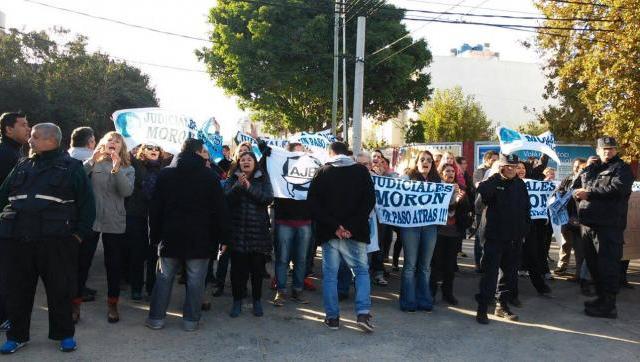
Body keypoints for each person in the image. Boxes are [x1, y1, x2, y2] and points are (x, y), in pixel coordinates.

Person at [0, 123, 95, 354]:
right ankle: (17, 336)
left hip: (57, 242)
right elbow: (2, 194)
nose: (30, 140)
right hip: (19, 241)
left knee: (60, 291)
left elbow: (88, 206)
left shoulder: (72, 167)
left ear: (51, 140)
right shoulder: (22, 165)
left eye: (34, 137)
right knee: (18, 292)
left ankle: (64, 335)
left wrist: (77, 236)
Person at [145, 138, 228, 331]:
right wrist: (224, 236)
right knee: (196, 280)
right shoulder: (209, 176)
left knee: (164, 279)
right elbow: (220, 209)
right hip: (200, 238)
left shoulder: (165, 174)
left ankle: (156, 319)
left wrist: (153, 236)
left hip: (169, 235)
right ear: (199, 152)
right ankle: (191, 322)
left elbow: (155, 209)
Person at [308, 142, 375, 333]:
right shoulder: (362, 172)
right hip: (357, 232)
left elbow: (313, 203)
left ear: (330, 153)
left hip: (331, 234)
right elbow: (369, 200)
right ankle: (363, 313)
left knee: (330, 276)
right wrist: (351, 226)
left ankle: (332, 318)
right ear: (347, 154)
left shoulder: (322, 172)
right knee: (362, 272)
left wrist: (335, 226)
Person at [75, 131, 135, 324]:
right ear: (103, 143)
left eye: (117, 142)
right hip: (91, 219)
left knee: (114, 264)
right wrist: (92, 160)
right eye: (110, 140)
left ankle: (112, 304)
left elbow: (126, 192)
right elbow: (76, 181)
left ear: (121, 148)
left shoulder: (128, 168)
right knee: (82, 262)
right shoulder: (94, 163)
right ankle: (75, 305)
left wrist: (117, 168)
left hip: (114, 220)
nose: (113, 143)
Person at [573, 137, 633, 319]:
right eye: (604, 149)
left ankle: (609, 305)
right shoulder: (594, 168)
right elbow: (577, 186)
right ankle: (601, 299)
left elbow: (619, 189)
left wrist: (589, 194)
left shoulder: (622, 168)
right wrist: (588, 168)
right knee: (594, 265)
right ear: (598, 151)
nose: (608, 152)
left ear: (616, 150)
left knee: (608, 265)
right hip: (589, 224)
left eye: (611, 149)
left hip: (609, 226)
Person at [475, 154, 530, 325]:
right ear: (502, 167)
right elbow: (481, 192)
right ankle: (482, 308)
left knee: (508, 275)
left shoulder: (520, 184)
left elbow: (526, 208)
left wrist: (523, 231)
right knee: (489, 275)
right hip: (493, 237)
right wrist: (496, 176)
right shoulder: (494, 182)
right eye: (509, 166)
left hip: (513, 238)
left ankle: (502, 306)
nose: (513, 169)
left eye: (515, 166)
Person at [224, 151, 274, 318]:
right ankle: (237, 301)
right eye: (242, 159)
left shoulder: (262, 178)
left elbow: (267, 199)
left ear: (254, 162)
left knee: (257, 271)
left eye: (249, 159)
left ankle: (257, 301)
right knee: (238, 271)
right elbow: (225, 199)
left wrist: (249, 187)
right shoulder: (233, 178)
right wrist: (238, 186)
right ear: (238, 163)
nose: (246, 162)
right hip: (237, 232)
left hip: (258, 233)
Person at [266, 142, 313, 306]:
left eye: (303, 153)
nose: (302, 157)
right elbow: (266, 150)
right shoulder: (280, 168)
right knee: (282, 258)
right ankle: (281, 291)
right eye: (297, 154)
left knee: (301, 259)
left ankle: (298, 291)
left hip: (305, 221)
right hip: (284, 220)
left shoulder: (312, 167)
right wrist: (257, 138)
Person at [397, 150, 441, 313]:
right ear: (416, 162)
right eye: (422, 159)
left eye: (429, 160)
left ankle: (424, 300)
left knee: (425, 266)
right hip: (410, 226)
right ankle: (408, 301)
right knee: (410, 265)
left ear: (432, 164)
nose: (426, 162)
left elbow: (446, 205)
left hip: (430, 227)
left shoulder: (438, 181)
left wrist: (454, 196)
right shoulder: (407, 178)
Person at [0, 112, 30, 333]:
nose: (28, 129)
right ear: (8, 129)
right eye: (23, 125)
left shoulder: (16, 151)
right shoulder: (4, 154)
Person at [124, 143, 164, 301]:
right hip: (136, 214)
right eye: (150, 148)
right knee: (137, 253)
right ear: (142, 150)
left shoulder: (165, 168)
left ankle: (151, 287)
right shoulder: (135, 164)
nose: (154, 150)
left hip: (156, 216)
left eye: (156, 148)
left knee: (154, 254)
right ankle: (136, 287)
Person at [430, 163, 470, 305]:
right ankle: (431, 293)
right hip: (439, 232)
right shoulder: (438, 189)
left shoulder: (461, 189)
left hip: (454, 233)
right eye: (447, 171)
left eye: (453, 171)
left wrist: (462, 200)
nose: (450, 173)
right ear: (441, 174)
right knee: (436, 264)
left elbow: (465, 211)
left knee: (450, 266)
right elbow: (440, 208)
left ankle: (448, 293)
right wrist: (454, 202)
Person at [556, 158, 592, 294]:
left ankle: (579, 275)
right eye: (576, 166)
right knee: (565, 244)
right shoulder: (568, 178)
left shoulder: (587, 180)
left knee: (579, 248)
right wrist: (562, 194)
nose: (578, 169)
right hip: (566, 217)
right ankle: (561, 268)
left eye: (581, 167)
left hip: (579, 219)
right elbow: (559, 190)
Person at [472, 150, 498, 271]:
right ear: (487, 160)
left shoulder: (499, 171)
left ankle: (488, 263)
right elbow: (477, 184)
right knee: (479, 236)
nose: (495, 162)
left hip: (493, 208)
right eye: (493, 160)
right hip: (481, 207)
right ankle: (479, 264)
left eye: (497, 160)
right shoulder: (479, 171)